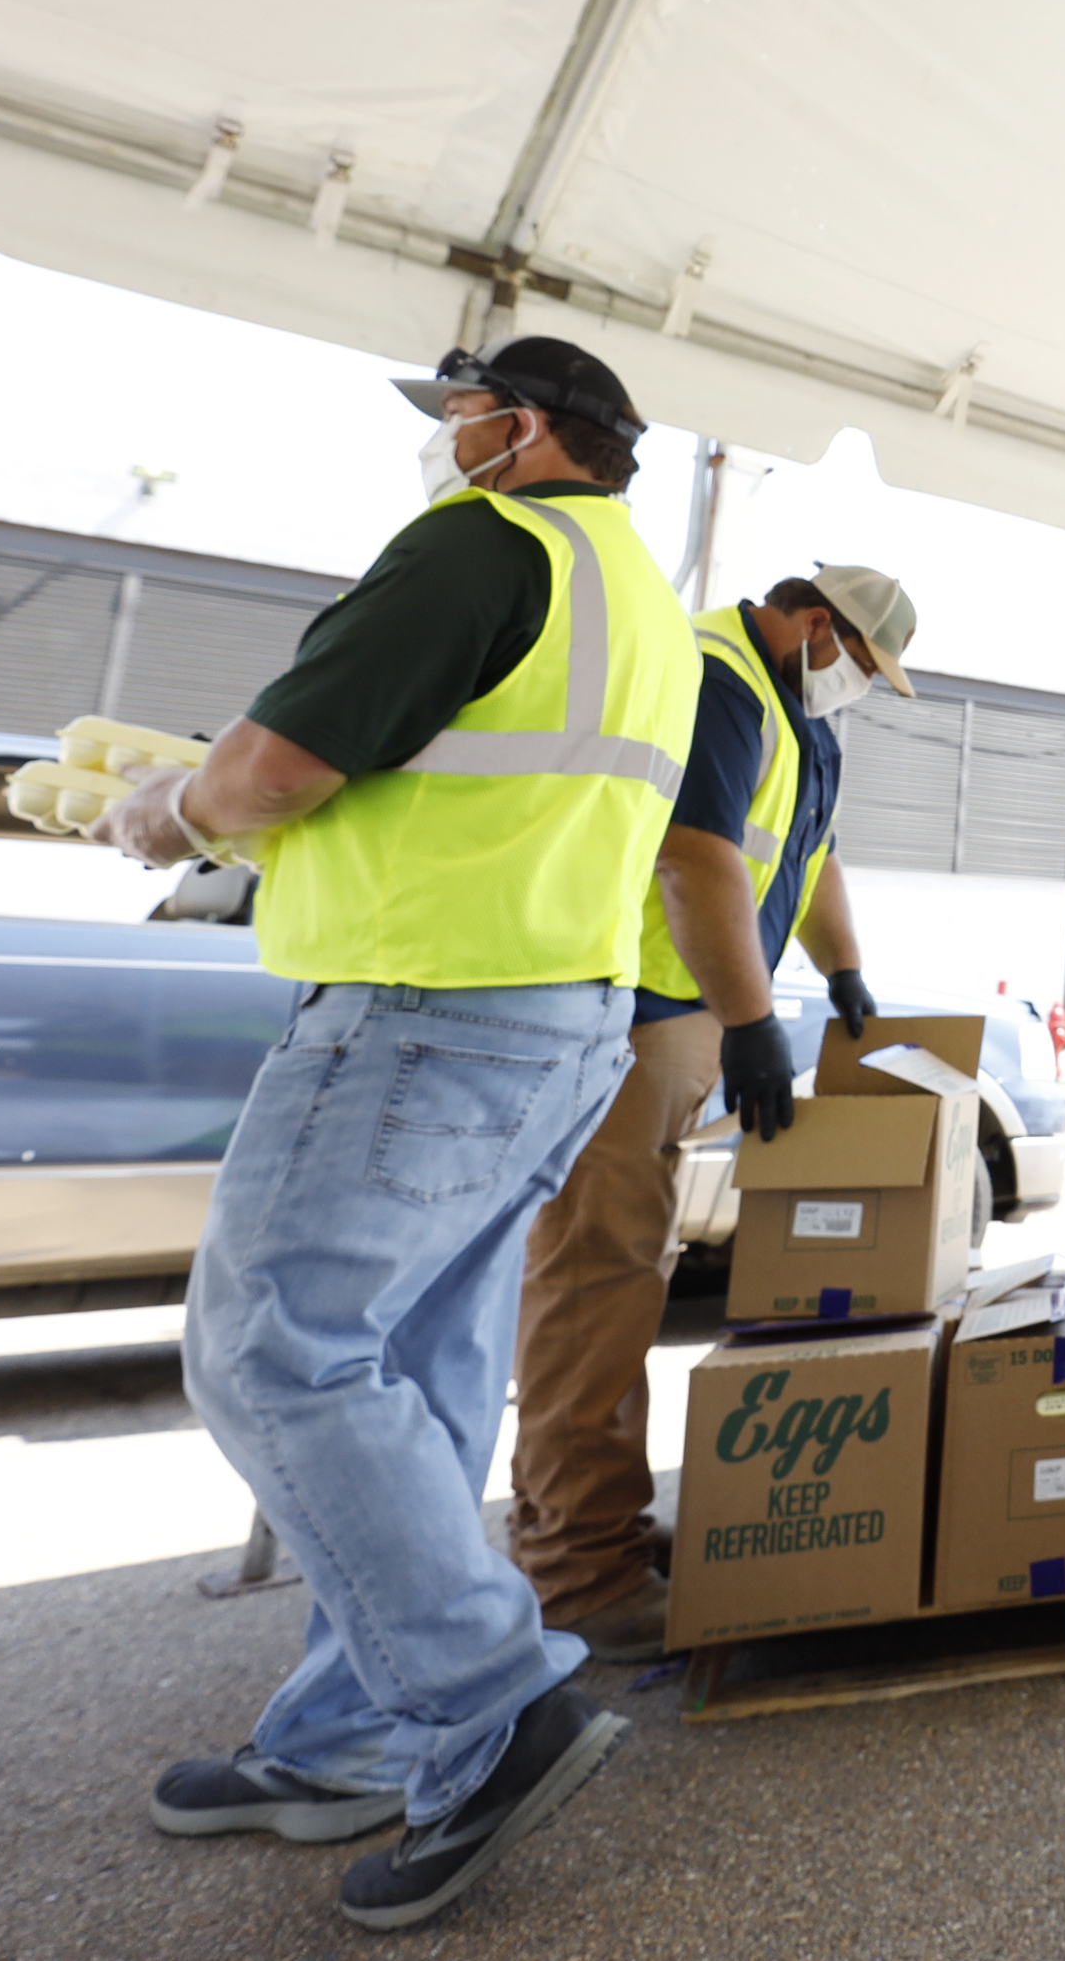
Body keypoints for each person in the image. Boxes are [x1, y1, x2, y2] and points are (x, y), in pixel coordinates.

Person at [90, 334, 699, 1933]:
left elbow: (282, 762)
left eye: (465, 414)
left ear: (534, 429)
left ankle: (488, 1709)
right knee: (412, 1368)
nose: (447, 440)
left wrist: (175, 809)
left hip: (423, 1010)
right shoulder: (639, 594)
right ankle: (356, 1734)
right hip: (551, 1017)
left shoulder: (481, 545)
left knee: (273, 1353)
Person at [506, 562, 920, 1660]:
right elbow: (694, 859)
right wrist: (749, 1020)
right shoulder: (717, 677)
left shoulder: (799, 717)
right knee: (596, 1280)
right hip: (632, 1008)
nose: (860, 688)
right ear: (817, 627)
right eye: (863, 667)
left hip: (681, 1014)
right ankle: (573, 1569)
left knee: (624, 1277)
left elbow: (810, 858)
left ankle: (603, 1535)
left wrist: (843, 979)